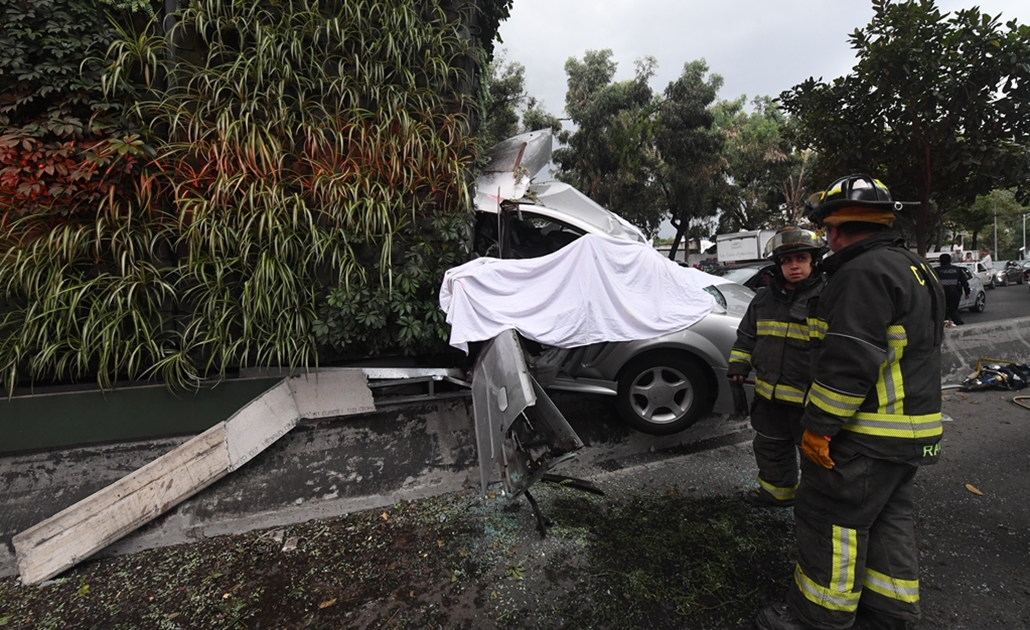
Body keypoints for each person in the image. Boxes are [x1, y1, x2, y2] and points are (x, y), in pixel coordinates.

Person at [756, 175, 946, 630]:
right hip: (909, 433)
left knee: (829, 519)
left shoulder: (859, 274)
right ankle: (889, 611)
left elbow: (847, 364)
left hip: (865, 436)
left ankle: (817, 616)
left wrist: (819, 427)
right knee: (888, 518)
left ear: (834, 230)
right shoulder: (915, 267)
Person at [727, 226, 826, 508]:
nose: (794, 266)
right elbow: (747, 337)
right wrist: (738, 365)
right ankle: (777, 494)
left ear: (813, 261)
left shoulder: (828, 298)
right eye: (786, 261)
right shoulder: (763, 299)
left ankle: (816, 504)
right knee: (769, 447)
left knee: (812, 455)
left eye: (801, 259)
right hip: (769, 397)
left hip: (807, 400)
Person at [934, 253, 970, 325]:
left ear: (939, 261)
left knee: (942, 310)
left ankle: (944, 323)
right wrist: (967, 292)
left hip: (941, 294)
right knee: (953, 310)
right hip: (954, 293)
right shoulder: (957, 270)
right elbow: (964, 281)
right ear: (950, 260)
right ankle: (959, 324)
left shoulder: (936, 271)